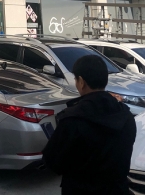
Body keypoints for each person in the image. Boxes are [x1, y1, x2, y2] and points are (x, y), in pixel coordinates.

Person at [42, 55, 137, 195]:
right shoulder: (126, 116)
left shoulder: (72, 119)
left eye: (75, 79)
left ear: (81, 82)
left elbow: (53, 162)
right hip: (117, 190)